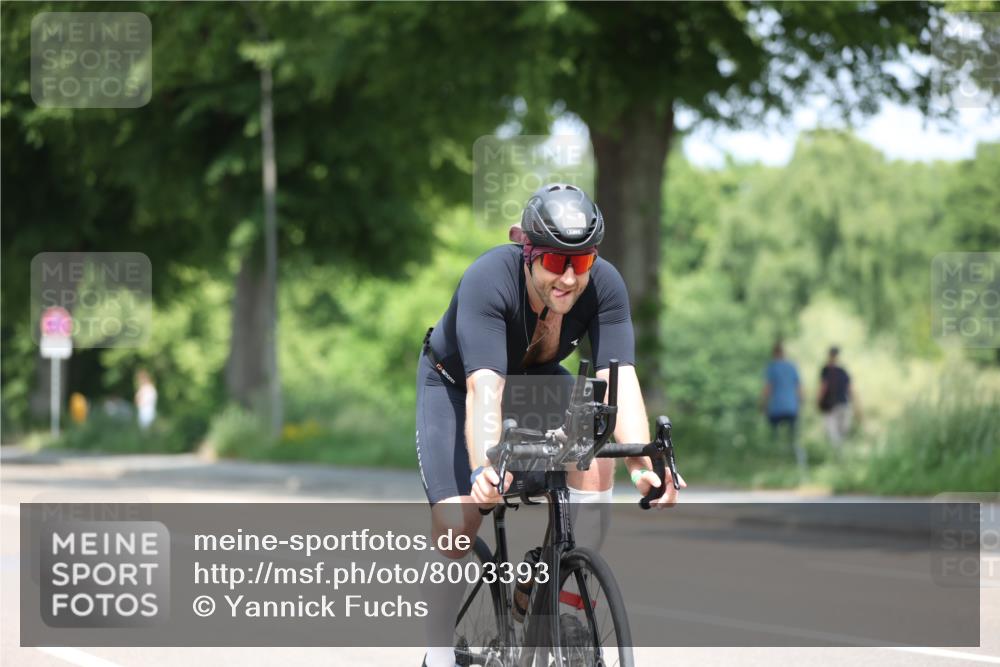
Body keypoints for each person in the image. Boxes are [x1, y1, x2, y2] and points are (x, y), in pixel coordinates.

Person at [416, 183, 685, 667]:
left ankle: (543, 588)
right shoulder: (488, 278)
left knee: (594, 463)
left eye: (580, 262)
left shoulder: (604, 285)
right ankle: (436, 656)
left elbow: (618, 378)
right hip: (457, 387)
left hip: (537, 381)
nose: (567, 277)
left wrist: (643, 467)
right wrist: (485, 468)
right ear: (526, 250)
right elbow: (485, 391)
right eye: (555, 262)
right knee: (459, 527)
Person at [760, 341, 805, 472]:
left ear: (774, 354)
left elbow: (768, 388)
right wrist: (801, 403)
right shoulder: (792, 367)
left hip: (776, 408)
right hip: (792, 408)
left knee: (774, 438)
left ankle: (775, 464)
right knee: (793, 438)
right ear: (784, 353)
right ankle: (795, 465)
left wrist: (762, 404)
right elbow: (799, 388)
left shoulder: (772, 367)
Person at [817, 346, 860, 451]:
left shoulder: (826, 370)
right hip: (842, 405)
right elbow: (850, 390)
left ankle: (838, 456)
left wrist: (818, 401)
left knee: (834, 434)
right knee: (840, 434)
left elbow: (823, 387)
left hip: (833, 406)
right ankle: (841, 456)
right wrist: (856, 406)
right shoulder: (843, 371)